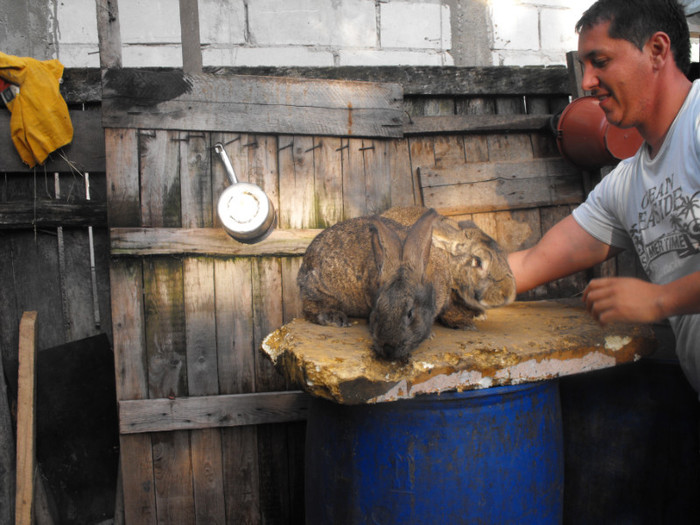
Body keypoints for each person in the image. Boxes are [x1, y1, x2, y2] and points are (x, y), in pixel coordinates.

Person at [507, 0, 700, 396]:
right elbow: (529, 264)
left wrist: (661, 300)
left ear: (657, 51)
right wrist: (430, 281)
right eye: (584, 66)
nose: (588, 82)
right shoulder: (624, 186)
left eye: (601, 61)